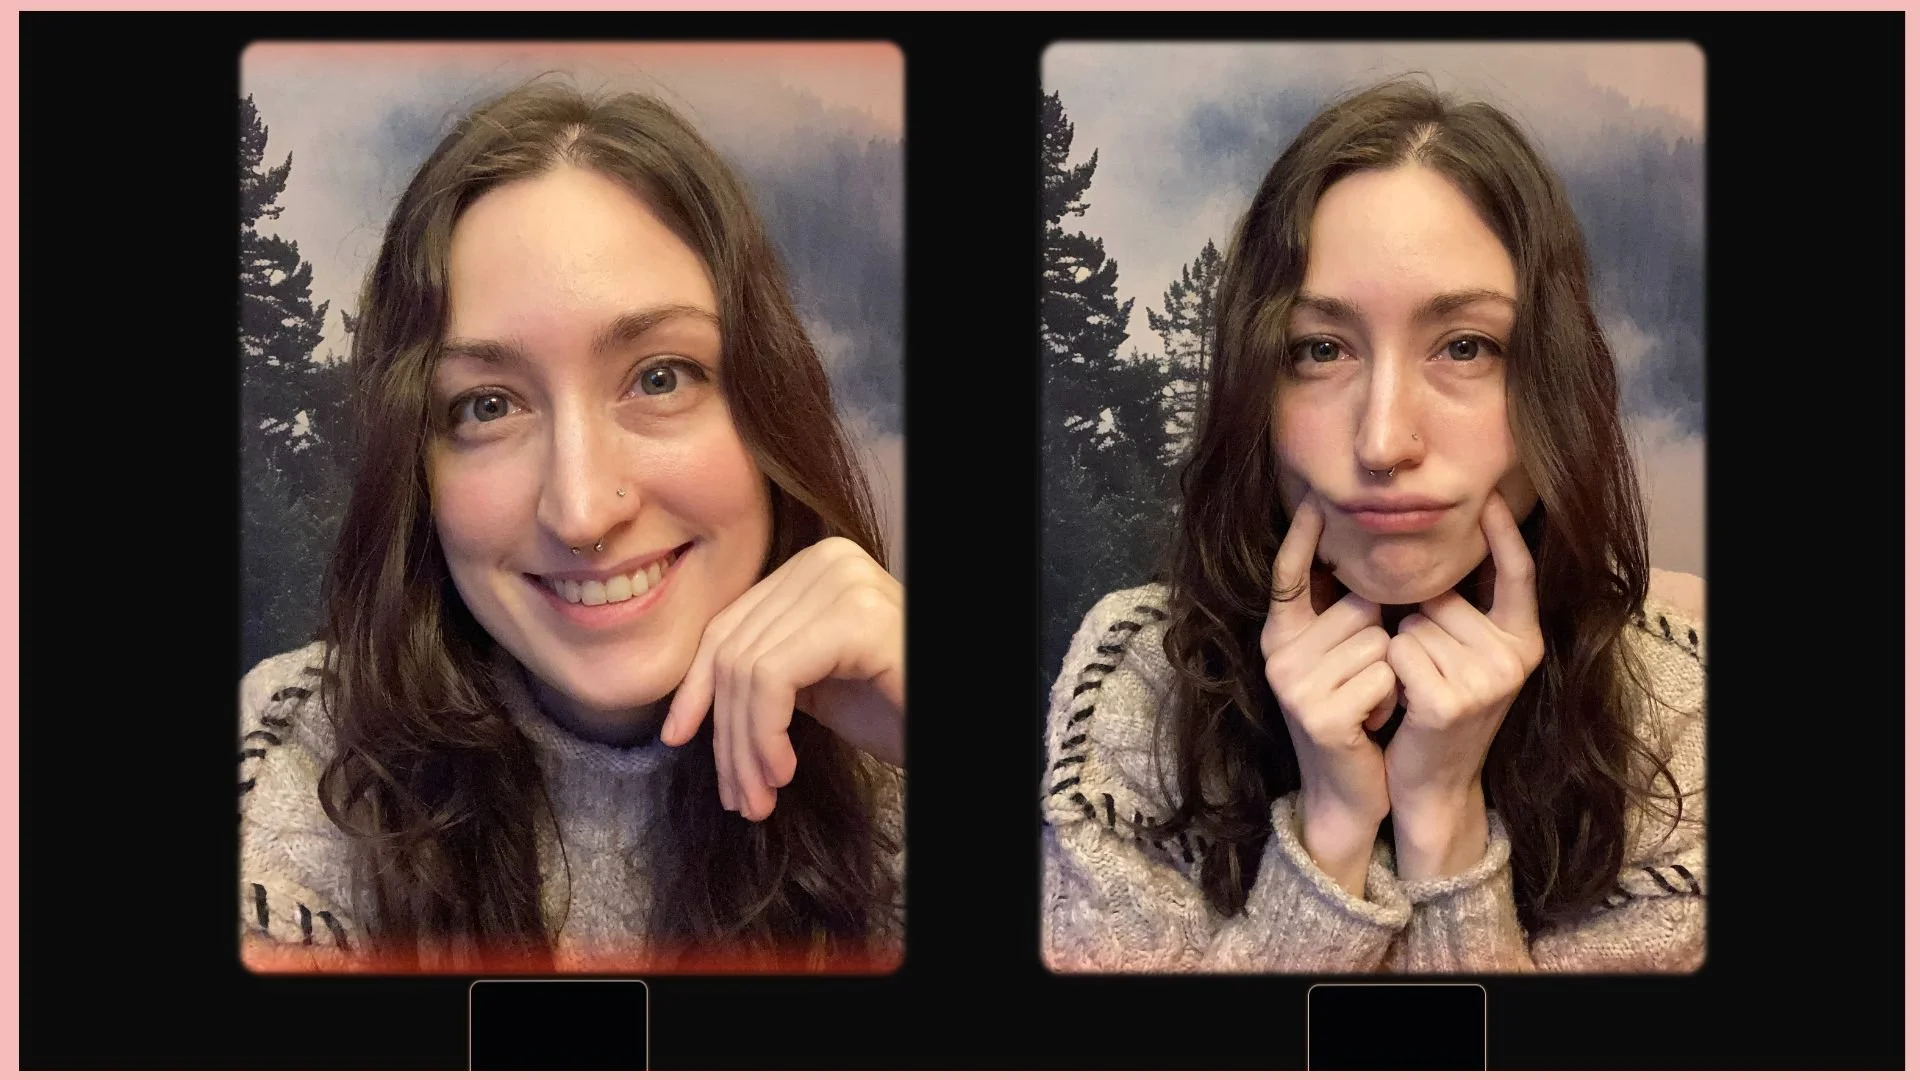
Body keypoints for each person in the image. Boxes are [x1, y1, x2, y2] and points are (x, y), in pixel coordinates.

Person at [239, 81, 906, 974]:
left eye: (660, 378)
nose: (583, 510)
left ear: (766, 407)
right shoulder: (298, 765)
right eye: (487, 405)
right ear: (417, 465)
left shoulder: (890, 762)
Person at [1041, 79, 1704, 973]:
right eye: (1320, 350)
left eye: (1465, 346)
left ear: (1554, 383)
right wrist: (1331, 833)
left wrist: (1444, 823)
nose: (1385, 439)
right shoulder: (1138, 676)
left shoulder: (1676, 712)